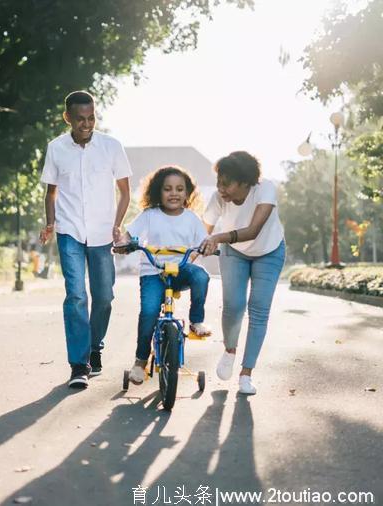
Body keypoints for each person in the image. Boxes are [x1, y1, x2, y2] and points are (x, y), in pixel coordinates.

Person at [39, 90, 132, 389]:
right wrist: (51, 223)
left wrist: (118, 225)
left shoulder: (111, 146)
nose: (86, 124)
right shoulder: (56, 148)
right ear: (67, 118)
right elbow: (50, 192)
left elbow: (125, 191)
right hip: (69, 231)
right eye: (80, 119)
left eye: (91, 117)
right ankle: (78, 364)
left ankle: (95, 347)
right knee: (77, 295)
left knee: (104, 297)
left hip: (103, 233)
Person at [200, 151, 286, 395]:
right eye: (219, 182)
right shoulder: (219, 198)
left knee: (258, 309)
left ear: (246, 182)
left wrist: (217, 237)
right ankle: (230, 350)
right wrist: (191, 253)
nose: (221, 188)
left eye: (226, 183)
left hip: (269, 251)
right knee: (233, 305)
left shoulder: (265, 190)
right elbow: (201, 232)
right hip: (234, 253)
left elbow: (253, 230)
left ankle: (246, 374)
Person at [116, 166, 211, 385]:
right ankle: (140, 362)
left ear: (187, 194)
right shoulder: (150, 215)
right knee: (149, 312)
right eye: (167, 189)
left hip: (180, 270)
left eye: (179, 189)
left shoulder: (192, 219)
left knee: (201, 277)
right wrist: (123, 243)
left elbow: (203, 243)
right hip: (153, 271)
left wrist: (204, 249)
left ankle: (196, 321)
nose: (174, 193)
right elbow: (129, 235)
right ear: (159, 192)